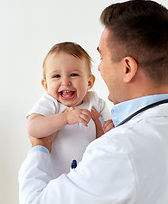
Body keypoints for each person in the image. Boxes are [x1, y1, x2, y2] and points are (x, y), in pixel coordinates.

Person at [19, 0, 168, 204]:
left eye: (101, 58)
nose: (98, 69)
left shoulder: (119, 150)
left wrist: (39, 147)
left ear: (127, 68)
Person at [26, 42, 114, 178]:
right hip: (56, 180)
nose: (65, 82)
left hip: (90, 177)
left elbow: (110, 129)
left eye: (73, 74)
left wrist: (110, 126)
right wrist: (65, 118)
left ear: (89, 82)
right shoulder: (51, 103)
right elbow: (33, 128)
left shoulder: (94, 101)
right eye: (56, 76)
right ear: (45, 84)